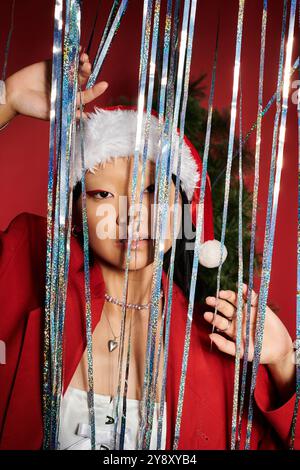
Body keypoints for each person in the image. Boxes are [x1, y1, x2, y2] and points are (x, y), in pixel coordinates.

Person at [0, 52, 298, 451]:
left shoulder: (220, 336)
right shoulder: (24, 258)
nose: (131, 215)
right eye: (103, 194)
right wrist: (7, 99)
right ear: (74, 210)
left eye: (153, 191)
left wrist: (283, 366)